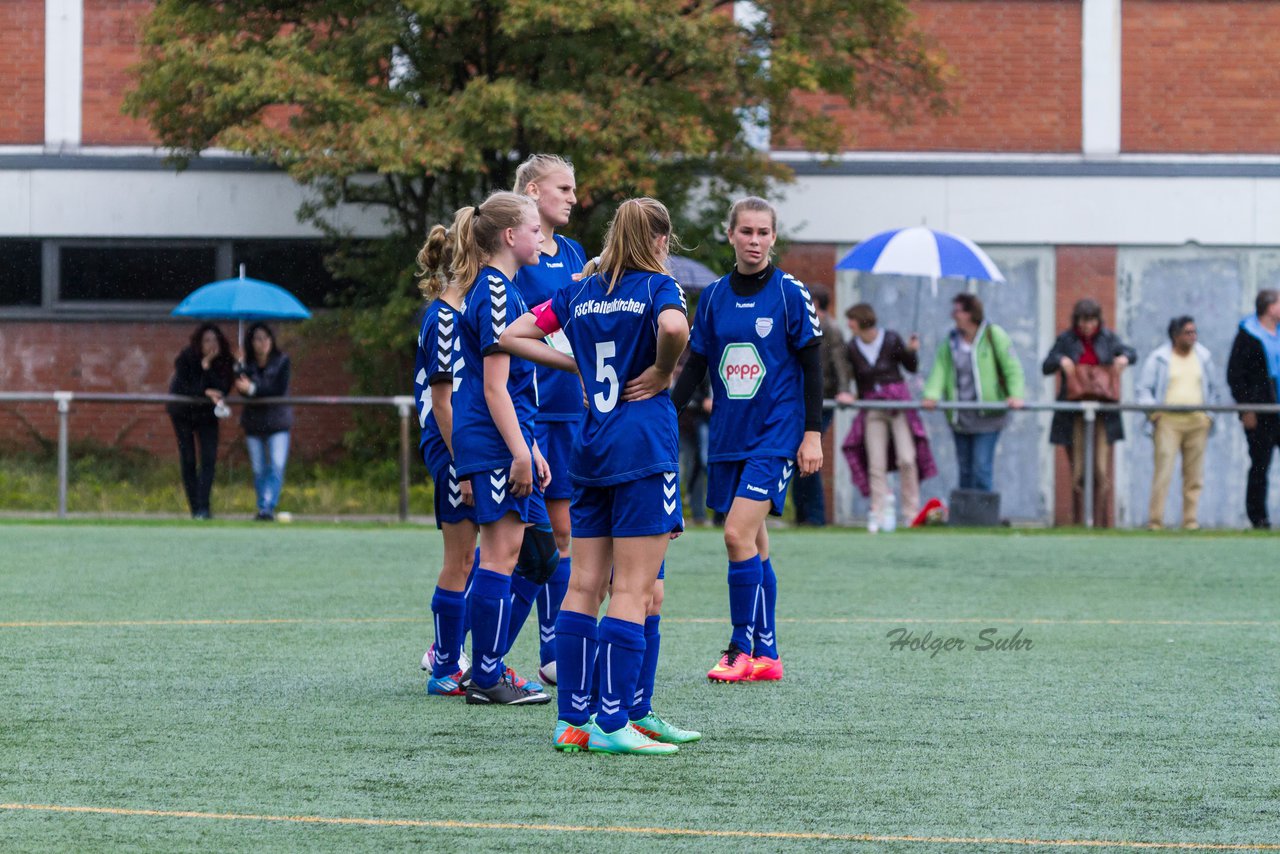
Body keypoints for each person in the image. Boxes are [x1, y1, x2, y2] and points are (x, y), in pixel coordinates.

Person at [502, 197, 698, 754]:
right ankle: (614, 724)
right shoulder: (659, 285)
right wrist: (663, 369)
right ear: (660, 241)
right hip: (642, 451)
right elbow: (673, 327)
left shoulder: (579, 292)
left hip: (589, 452)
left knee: (583, 586)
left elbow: (513, 335)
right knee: (634, 589)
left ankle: (574, 722)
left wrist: (578, 365)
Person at [671, 196, 824, 684]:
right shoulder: (714, 296)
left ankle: (739, 648)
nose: (755, 241)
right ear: (731, 235)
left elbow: (814, 367)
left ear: (773, 238)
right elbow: (695, 363)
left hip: (775, 437)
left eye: (763, 233)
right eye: (747, 232)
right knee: (754, 546)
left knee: (735, 534)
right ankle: (769, 655)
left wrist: (812, 436)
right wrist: (664, 413)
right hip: (729, 437)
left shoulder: (789, 294)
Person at [448, 190, 553, 706]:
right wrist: (518, 451)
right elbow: (493, 387)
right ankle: (485, 675)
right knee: (502, 554)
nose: (541, 238)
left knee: (537, 556)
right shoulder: (494, 291)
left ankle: (483, 666)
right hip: (493, 441)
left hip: (509, 438)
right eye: (534, 229)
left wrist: (530, 447)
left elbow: (510, 388)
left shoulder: (504, 290)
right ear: (510, 236)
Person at [511, 154, 586, 687]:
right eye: (564, 188)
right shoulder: (516, 254)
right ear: (534, 191)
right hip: (531, 416)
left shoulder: (577, 252)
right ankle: (460, 649)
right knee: (521, 540)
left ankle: (554, 650)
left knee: (565, 535)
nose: (573, 197)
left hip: (574, 413)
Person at [412, 219, 481, 695]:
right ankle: (443, 667)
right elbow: (442, 403)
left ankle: (450, 654)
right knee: (459, 558)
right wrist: (465, 463)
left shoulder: (464, 315)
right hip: (452, 445)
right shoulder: (441, 319)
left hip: (466, 443)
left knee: (475, 558)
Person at [1043, 298, 1136, 526]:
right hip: (1074, 412)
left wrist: (1123, 358)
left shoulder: (1108, 338)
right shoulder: (1066, 339)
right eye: (1083, 321)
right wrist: (1061, 360)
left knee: (1101, 470)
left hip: (1103, 412)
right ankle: (1078, 521)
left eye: (1091, 321)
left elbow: (1131, 352)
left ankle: (1101, 522)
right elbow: (1046, 365)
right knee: (1079, 471)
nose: (1087, 326)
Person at [843, 302, 934, 531]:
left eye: (851, 320)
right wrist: (849, 394)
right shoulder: (852, 348)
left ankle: (911, 512)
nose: (848, 324)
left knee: (907, 458)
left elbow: (910, 367)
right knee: (876, 463)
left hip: (897, 406)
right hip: (872, 408)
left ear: (862, 320)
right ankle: (878, 512)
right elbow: (853, 377)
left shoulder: (891, 339)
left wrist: (912, 350)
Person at [922, 293, 1025, 493]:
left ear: (970, 313)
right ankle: (967, 519)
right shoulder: (951, 342)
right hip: (961, 415)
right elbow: (940, 370)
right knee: (966, 470)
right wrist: (931, 394)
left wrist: (1015, 394)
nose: (953, 315)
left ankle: (985, 517)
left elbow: (1012, 367)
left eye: (958, 311)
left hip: (988, 415)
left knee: (981, 467)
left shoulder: (993, 335)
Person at [1136, 316, 1217, 531]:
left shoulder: (1203, 356)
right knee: (1163, 472)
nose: (1193, 337)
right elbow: (1143, 390)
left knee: (1194, 475)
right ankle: (1156, 521)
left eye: (1194, 332)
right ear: (1175, 335)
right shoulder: (1159, 358)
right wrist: (1154, 413)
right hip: (1168, 422)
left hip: (1197, 421)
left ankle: (1190, 521)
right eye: (1187, 333)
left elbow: (1214, 389)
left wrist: (1208, 416)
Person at [791, 287, 852, 526]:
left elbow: (839, 360)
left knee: (809, 456)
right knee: (799, 458)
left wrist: (844, 389)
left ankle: (815, 516)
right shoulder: (805, 325)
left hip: (821, 400)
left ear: (815, 302)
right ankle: (803, 515)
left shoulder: (830, 329)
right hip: (801, 398)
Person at [167, 323, 235, 519]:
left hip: (207, 416)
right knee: (188, 459)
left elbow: (223, 388)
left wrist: (208, 369)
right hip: (183, 414)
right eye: (206, 340)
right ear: (199, 342)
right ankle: (195, 507)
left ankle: (204, 508)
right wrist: (204, 391)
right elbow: (182, 388)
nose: (211, 344)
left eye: (214, 340)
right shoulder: (186, 358)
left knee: (209, 459)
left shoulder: (224, 361)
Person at [1227, 289, 1280, 529]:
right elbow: (1236, 376)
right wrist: (1246, 408)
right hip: (1261, 413)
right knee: (1260, 464)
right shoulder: (1247, 335)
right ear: (1270, 307)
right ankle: (1258, 518)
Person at [234, 323, 293, 521]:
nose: (263, 342)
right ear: (251, 342)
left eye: (266, 338)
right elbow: (240, 388)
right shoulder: (247, 364)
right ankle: (263, 508)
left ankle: (268, 506)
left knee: (276, 464)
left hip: (277, 422)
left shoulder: (282, 361)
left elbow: (276, 389)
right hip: (254, 423)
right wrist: (238, 367)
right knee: (258, 468)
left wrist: (253, 389)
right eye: (258, 338)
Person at [676, 350, 712, 526]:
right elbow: (687, 384)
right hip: (688, 423)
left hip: (705, 423)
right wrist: (702, 401)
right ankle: (691, 511)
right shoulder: (692, 353)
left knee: (701, 465)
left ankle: (704, 513)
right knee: (696, 464)